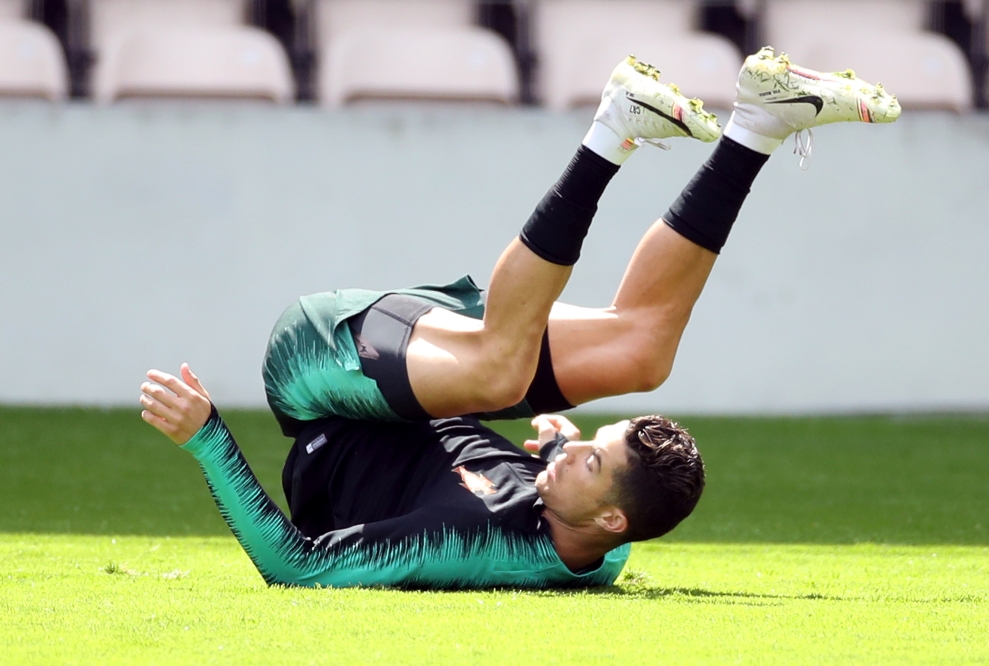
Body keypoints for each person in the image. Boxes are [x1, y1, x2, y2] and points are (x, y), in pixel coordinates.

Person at [140, 48, 900, 589]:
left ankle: (738, 123)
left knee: (619, 354)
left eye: (588, 463)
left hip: (317, 376)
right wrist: (571, 451)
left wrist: (207, 437)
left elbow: (296, 566)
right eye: (590, 448)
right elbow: (626, 524)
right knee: (642, 360)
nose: (562, 454)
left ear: (604, 519)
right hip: (429, 360)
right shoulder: (604, 536)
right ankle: (725, 128)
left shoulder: (472, 544)